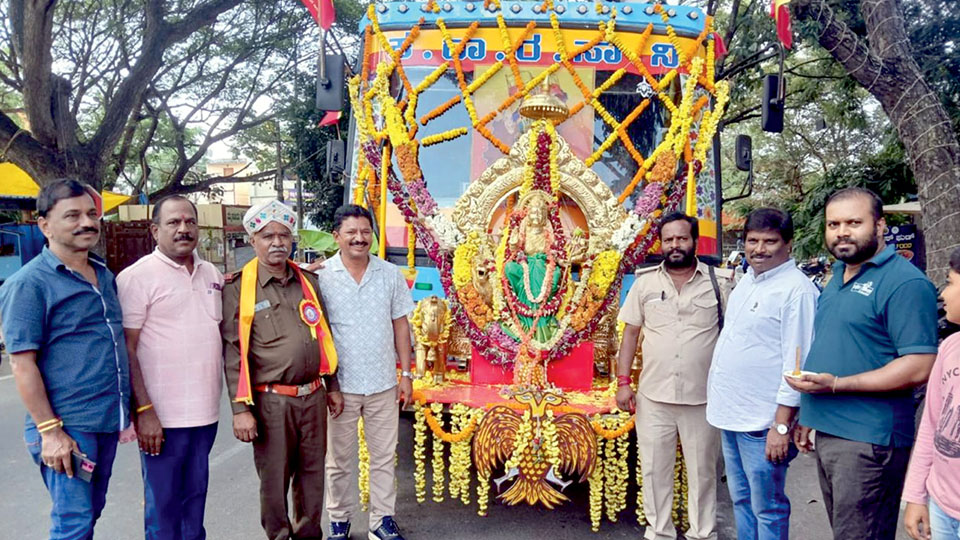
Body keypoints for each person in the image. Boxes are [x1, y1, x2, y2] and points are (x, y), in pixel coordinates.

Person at [787, 187, 939, 540]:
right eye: (833, 224)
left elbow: (919, 365)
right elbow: (838, 346)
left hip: (869, 441)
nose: (842, 232)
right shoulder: (838, 275)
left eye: (854, 223)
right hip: (830, 432)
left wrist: (837, 385)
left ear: (880, 225)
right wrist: (809, 415)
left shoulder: (905, 283)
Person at [0, 179, 131, 539]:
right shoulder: (29, 284)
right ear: (45, 225)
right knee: (73, 524)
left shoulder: (103, 275)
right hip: (67, 426)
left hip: (104, 419)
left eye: (91, 214)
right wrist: (50, 431)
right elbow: (21, 363)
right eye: (72, 215)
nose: (86, 222)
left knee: (90, 513)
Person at [221, 199, 342, 540]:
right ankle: (277, 535)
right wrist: (240, 410)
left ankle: (308, 535)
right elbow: (233, 351)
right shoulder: (237, 288)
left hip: (313, 397)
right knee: (274, 480)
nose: (277, 242)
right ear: (252, 241)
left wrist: (332, 386)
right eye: (267, 236)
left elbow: (324, 336)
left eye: (284, 235)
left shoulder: (308, 282)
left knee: (312, 476)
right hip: (272, 402)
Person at [616, 212, 733, 540]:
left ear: (695, 241)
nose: (675, 245)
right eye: (668, 240)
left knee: (703, 474)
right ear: (661, 244)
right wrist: (623, 383)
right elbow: (630, 335)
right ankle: (659, 533)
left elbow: (734, 337)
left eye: (682, 238)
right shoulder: (645, 283)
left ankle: (702, 534)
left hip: (702, 398)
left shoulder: (720, 283)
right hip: (654, 398)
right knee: (654, 472)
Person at [706, 208, 819, 540]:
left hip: (763, 423)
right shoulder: (748, 281)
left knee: (768, 508)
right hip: (732, 416)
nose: (759, 249)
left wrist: (781, 426)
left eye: (769, 242)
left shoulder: (796, 291)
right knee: (741, 500)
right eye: (752, 241)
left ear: (788, 244)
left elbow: (798, 364)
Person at [116, 195, 223, 540]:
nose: (183, 229)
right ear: (154, 230)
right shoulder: (136, 277)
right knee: (163, 508)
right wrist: (144, 410)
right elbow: (127, 348)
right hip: (162, 418)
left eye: (190, 221)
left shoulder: (211, 274)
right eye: (173, 222)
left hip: (205, 415)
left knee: (195, 502)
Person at [316, 204, 415, 540]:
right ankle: (339, 521)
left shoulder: (390, 274)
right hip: (339, 388)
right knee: (338, 460)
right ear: (336, 236)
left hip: (383, 383)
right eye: (351, 232)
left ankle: (381, 521)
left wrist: (406, 375)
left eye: (365, 232)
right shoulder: (321, 277)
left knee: (384, 457)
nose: (359, 238)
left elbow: (400, 325)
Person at [902, 246, 960, 540]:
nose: (943, 294)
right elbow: (930, 426)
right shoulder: (950, 348)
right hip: (941, 503)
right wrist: (915, 495)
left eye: (950, 283)